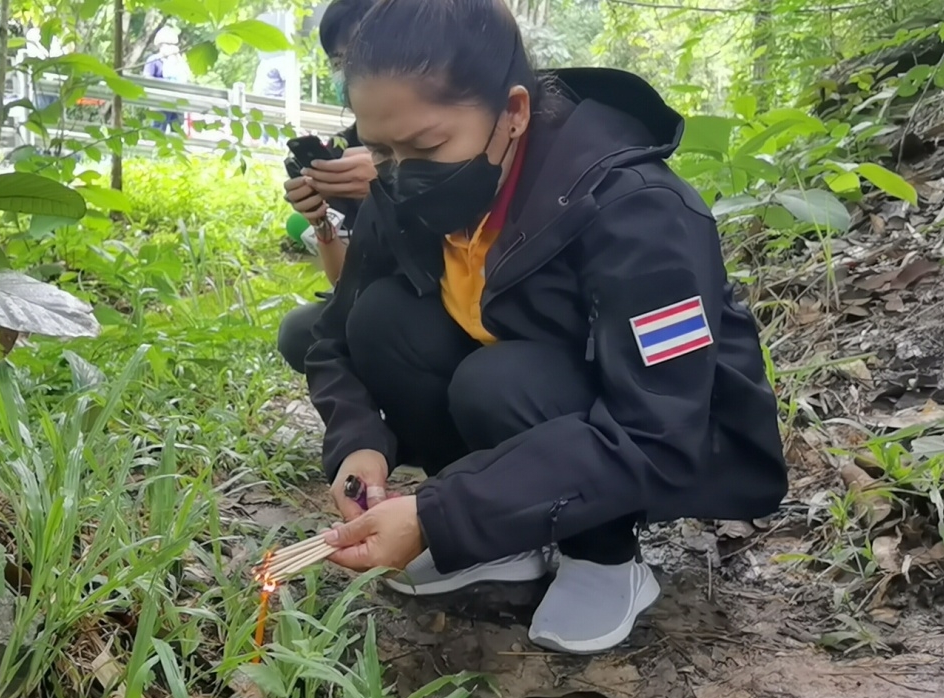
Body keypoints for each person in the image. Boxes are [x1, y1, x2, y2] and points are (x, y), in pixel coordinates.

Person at [307, 0, 788, 655]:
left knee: (499, 381)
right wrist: (359, 442)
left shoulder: (637, 210)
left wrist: (436, 514)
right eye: (380, 151)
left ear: (514, 112)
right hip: (539, 403)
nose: (399, 175)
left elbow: (663, 425)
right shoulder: (404, 187)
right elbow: (333, 334)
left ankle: (606, 556)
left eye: (425, 146)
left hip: (666, 426)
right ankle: (502, 536)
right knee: (384, 318)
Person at [276, 0, 378, 374]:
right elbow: (342, 281)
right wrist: (321, 222)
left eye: (362, 55)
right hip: (378, 296)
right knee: (302, 331)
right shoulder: (345, 150)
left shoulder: (444, 128)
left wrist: (394, 178)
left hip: (454, 294)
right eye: (339, 61)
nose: (348, 72)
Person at [143, 26, 190, 132]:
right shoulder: (153, 60)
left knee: (176, 129)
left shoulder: (178, 61)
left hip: (176, 102)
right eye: (166, 45)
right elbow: (147, 79)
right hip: (159, 102)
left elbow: (184, 77)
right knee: (158, 128)